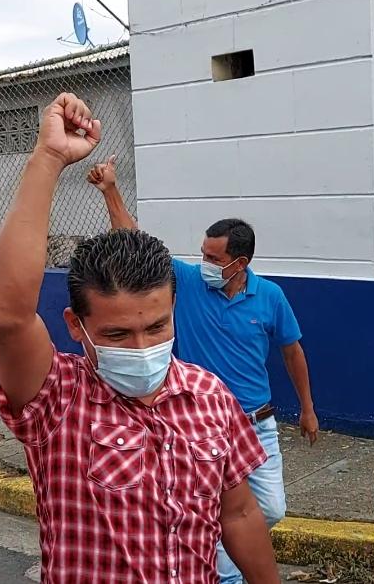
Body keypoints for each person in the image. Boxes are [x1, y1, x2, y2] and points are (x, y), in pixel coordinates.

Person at [0, 92, 279, 583]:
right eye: (117, 333)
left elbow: (240, 514)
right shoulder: (56, 397)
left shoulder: (210, 396)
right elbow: (8, 316)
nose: (143, 349)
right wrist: (50, 158)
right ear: (76, 326)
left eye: (156, 327)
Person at [88, 155, 317, 583]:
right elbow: (134, 241)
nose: (205, 263)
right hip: (199, 422)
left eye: (215, 258)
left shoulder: (270, 297)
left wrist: (307, 408)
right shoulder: (189, 282)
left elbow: (293, 353)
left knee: (270, 508)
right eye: (204, 254)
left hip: (258, 423)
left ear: (241, 262)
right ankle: (223, 575)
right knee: (221, 508)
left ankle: (210, 554)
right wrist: (110, 191)